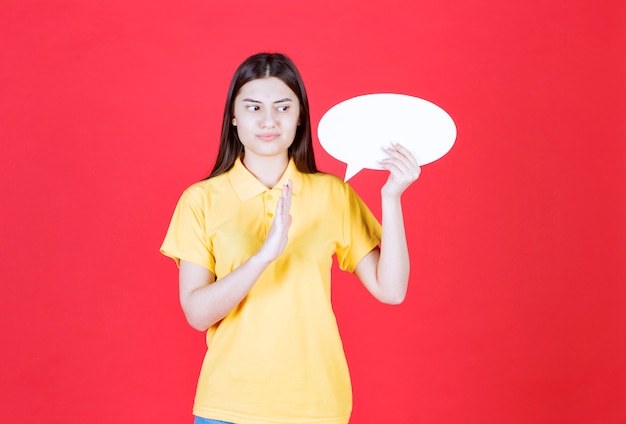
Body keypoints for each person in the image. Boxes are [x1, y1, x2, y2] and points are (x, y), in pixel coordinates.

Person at [160, 52, 420, 424]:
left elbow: (391, 290)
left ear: (300, 118)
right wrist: (263, 257)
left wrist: (391, 197)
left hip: (317, 406)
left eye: (283, 107)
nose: (268, 120)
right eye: (253, 107)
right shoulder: (201, 200)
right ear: (233, 117)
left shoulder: (332, 194)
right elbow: (198, 314)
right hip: (229, 406)